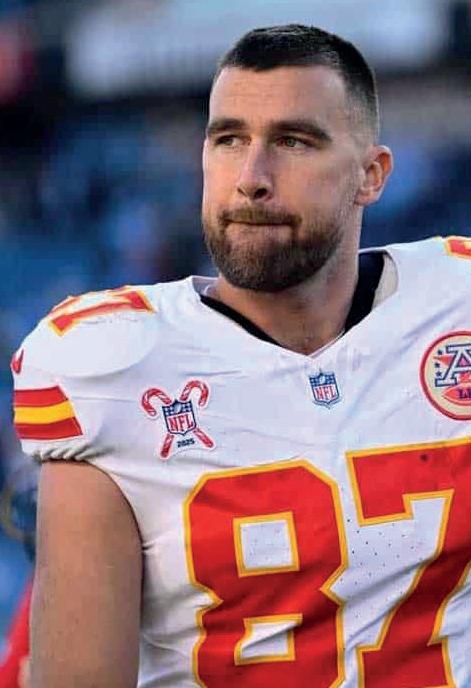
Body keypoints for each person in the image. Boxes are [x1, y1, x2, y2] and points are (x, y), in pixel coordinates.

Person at [11, 23, 471, 688]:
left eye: (293, 141)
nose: (251, 178)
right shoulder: (113, 361)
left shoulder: (455, 304)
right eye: (228, 139)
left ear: (370, 175)